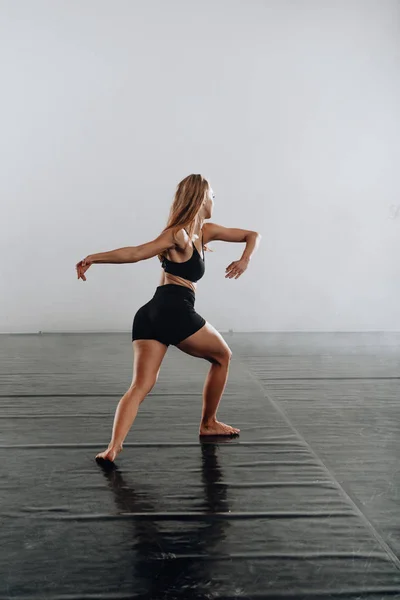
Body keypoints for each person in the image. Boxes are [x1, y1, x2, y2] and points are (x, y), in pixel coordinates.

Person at [75, 174, 261, 462]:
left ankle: (113, 448)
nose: (215, 200)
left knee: (141, 385)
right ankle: (208, 423)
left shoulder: (205, 232)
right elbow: (137, 252)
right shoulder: (179, 234)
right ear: (200, 198)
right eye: (212, 194)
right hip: (175, 310)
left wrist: (245, 259)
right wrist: (93, 258)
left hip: (151, 314)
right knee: (223, 356)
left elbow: (252, 235)